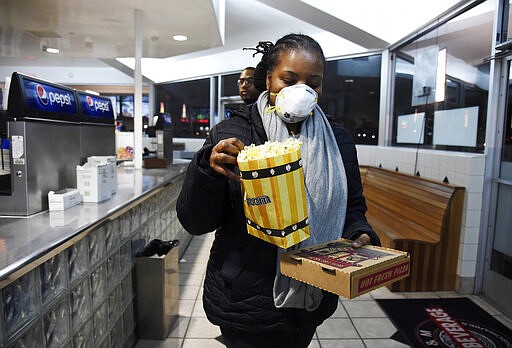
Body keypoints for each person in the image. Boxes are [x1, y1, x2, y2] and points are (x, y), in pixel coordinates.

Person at [177, 33, 380, 348]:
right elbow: (195, 221)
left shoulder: (337, 141)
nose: (302, 91)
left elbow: (353, 206)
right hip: (246, 296)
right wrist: (207, 169)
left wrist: (360, 233)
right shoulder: (233, 135)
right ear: (268, 78)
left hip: (312, 291)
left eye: (314, 83)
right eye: (289, 79)